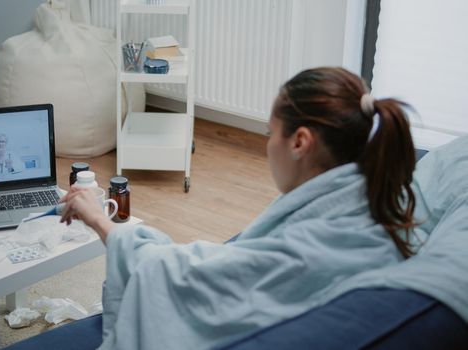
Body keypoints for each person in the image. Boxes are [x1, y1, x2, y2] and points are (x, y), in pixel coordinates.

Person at [59, 67, 418, 349]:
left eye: (269, 132)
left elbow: (178, 276)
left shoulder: (305, 251)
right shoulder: (378, 203)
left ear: (299, 142)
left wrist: (99, 221)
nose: (267, 144)